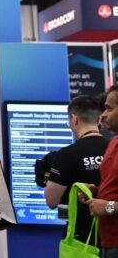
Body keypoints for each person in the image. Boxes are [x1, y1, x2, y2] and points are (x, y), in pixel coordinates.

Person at [43, 95, 109, 244]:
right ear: (99, 119)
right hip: (111, 234)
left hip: (81, 239)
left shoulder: (66, 154)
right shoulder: (113, 148)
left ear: (74, 119)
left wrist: (47, 176)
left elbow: (52, 201)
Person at [85, 85, 118, 257]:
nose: (103, 115)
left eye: (109, 108)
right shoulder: (112, 142)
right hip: (107, 242)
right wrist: (96, 192)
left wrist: (108, 207)